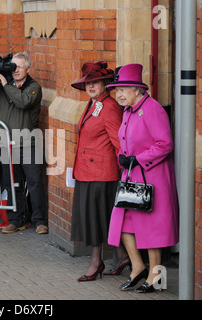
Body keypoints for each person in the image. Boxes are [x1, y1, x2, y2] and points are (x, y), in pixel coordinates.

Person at [106, 63, 179, 293]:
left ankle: (156, 273)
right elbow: (124, 142)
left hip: (152, 176)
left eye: (123, 89)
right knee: (123, 222)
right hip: (132, 177)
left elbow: (165, 144)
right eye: (116, 90)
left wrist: (138, 159)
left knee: (150, 226)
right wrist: (123, 158)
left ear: (137, 89)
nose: (119, 94)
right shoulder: (128, 111)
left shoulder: (152, 108)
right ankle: (137, 266)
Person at [70, 61, 128, 281]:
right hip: (88, 170)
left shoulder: (110, 107)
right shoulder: (93, 103)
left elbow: (119, 143)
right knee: (97, 217)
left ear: (105, 83)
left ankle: (97, 262)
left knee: (98, 218)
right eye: (88, 82)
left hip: (102, 174)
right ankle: (121, 255)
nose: (91, 86)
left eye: (95, 82)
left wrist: (125, 172)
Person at [0, 52, 48, 234]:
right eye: (13, 66)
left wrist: (4, 84)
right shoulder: (3, 87)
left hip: (28, 143)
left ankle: (40, 221)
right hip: (7, 145)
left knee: (34, 183)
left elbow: (23, 101)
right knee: (11, 183)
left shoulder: (34, 87)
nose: (15, 70)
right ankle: (15, 219)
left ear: (28, 68)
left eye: (19, 66)